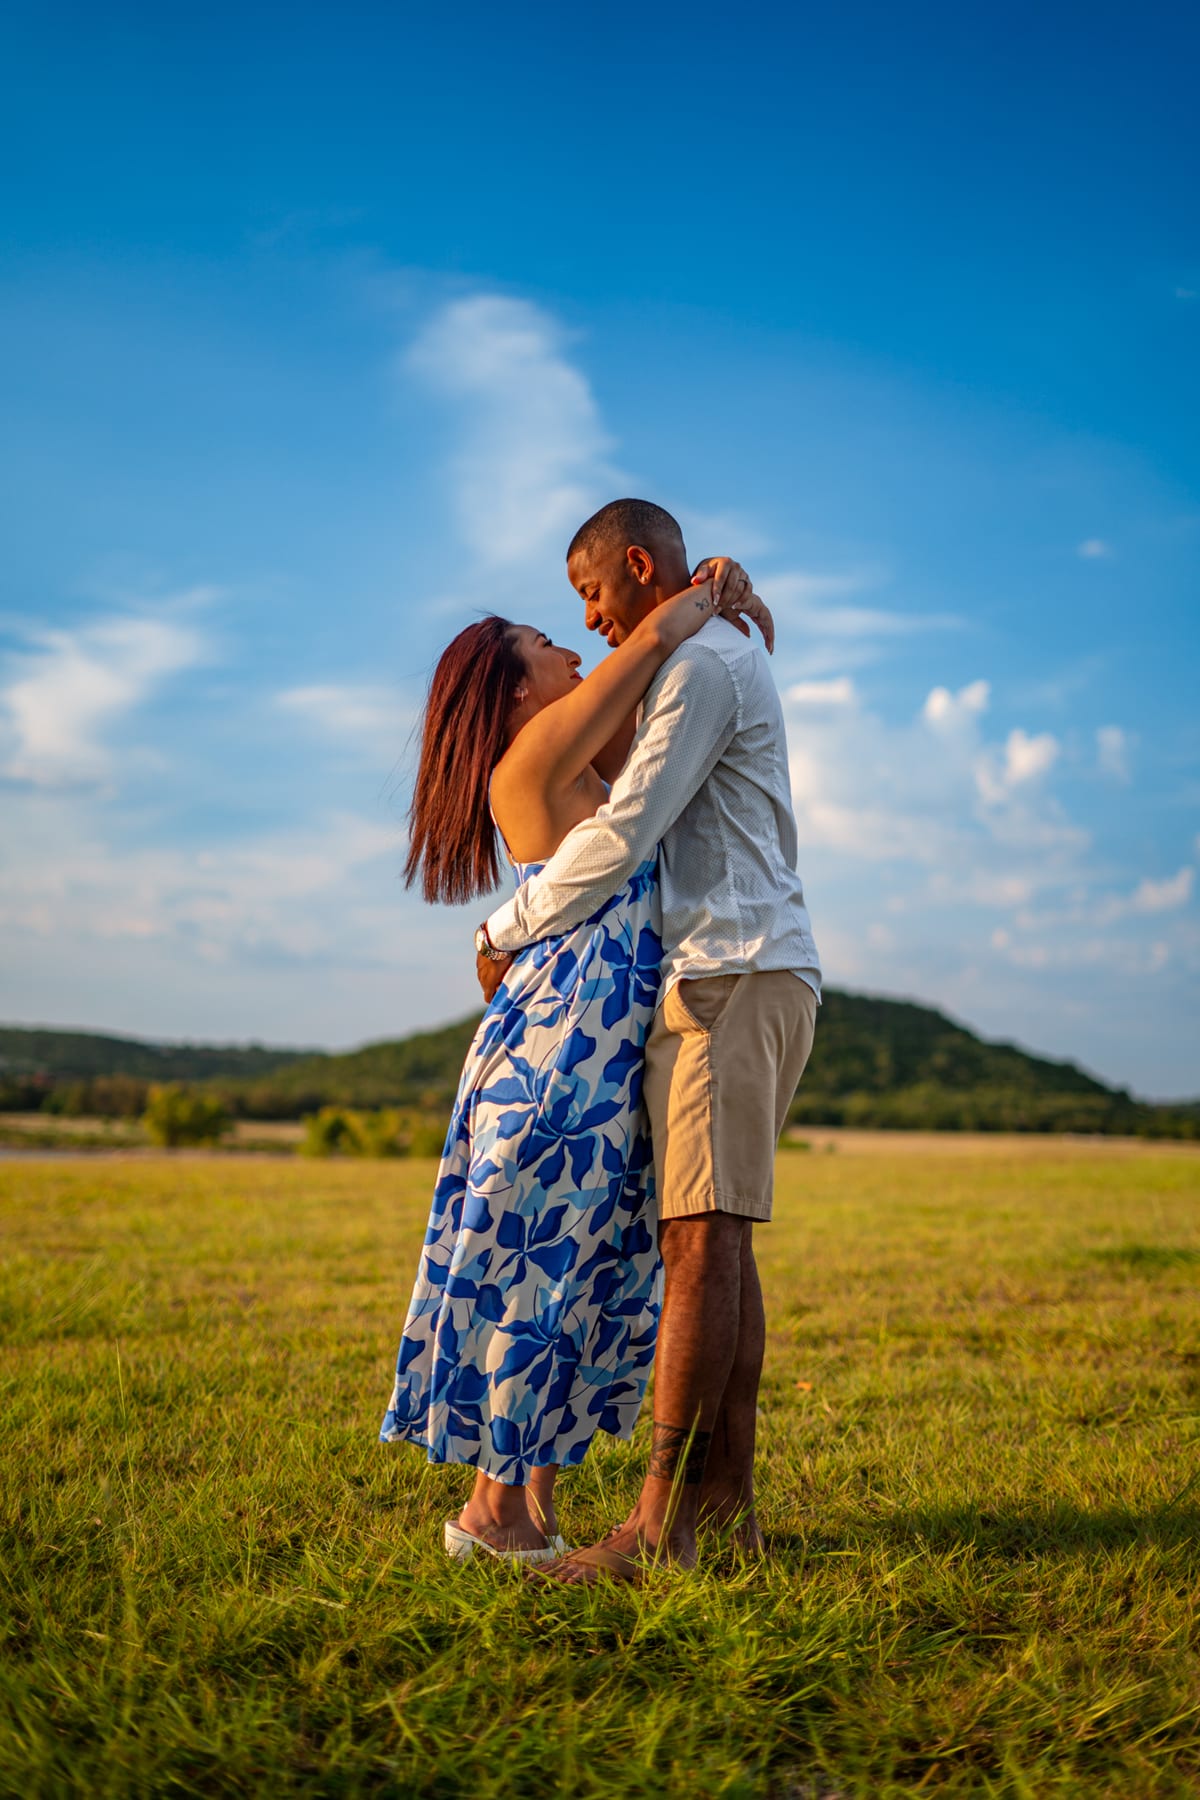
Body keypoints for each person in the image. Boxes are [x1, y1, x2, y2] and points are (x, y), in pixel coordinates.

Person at [381, 557, 771, 1563]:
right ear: (511, 686)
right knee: (535, 1268)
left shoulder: (587, 763)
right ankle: (493, 1513)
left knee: (580, 1270)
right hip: (562, 1034)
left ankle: (526, 1515)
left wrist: (721, 598)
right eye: (546, 647)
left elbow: (679, 713)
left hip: (601, 1032)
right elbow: (648, 646)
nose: (572, 645)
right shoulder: (532, 758)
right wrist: (704, 593)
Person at [475, 498, 821, 1584]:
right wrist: (712, 589)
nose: (587, 619)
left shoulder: (704, 668)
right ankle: (723, 1512)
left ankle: (660, 1529)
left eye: (593, 595)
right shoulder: (699, 652)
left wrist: (506, 924)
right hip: (738, 967)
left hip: (727, 971)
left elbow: (626, 836)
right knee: (719, 1244)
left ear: (637, 567)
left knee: (703, 1249)